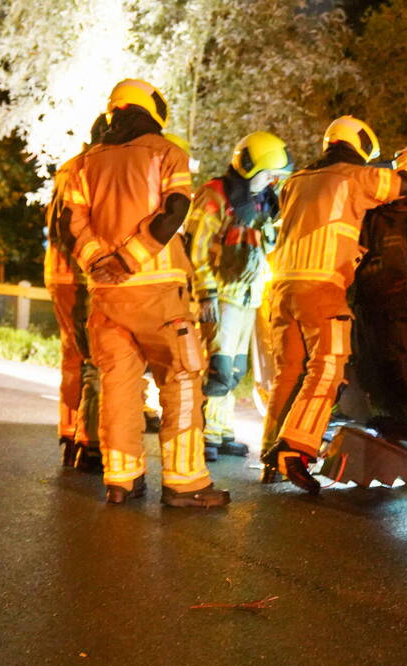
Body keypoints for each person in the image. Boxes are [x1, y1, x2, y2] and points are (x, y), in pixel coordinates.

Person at [63, 78, 229, 508]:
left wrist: (100, 261)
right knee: (181, 380)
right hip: (157, 293)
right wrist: (131, 258)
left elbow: (71, 224)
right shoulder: (166, 151)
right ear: (152, 110)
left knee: (118, 384)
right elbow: (174, 210)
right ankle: (186, 484)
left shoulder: (84, 163)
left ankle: (121, 480)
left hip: (106, 295)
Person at [260, 115, 407, 492]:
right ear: (361, 145)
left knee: (288, 373)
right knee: (327, 368)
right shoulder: (356, 177)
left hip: (282, 290)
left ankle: (271, 451)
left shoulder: (294, 182)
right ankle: (295, 449)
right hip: (322, 288)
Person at [187, 131, 292, 461]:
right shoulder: (215, 196)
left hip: (249, 296)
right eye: (268, 174)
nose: (273, 180)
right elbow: (195, 248)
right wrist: (206, 293)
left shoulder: (262, 201)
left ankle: (220, 431)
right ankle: (204, 433)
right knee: (218, 366)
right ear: (250, 168)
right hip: (221, 296)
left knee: (234, 368)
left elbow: (267, 246)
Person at [45, 114, 108, 472]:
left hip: (59, 270)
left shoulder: (69, 167)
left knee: (72, 355)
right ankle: (89, 438)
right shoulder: (91, 168)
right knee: (91, 356)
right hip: (81, 273)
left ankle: (70, 432)